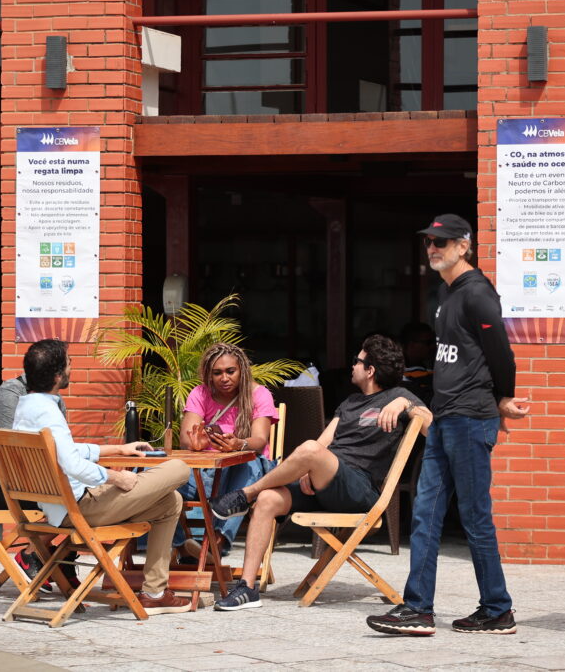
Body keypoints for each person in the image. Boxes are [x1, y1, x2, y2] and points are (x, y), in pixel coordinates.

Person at [366, 214, 530, 637]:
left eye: (441, 241)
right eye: (429, 242)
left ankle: (497, 609)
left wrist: (503, 398)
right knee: (425, 514)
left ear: (464, 246)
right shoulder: (444, 293)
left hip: (471, 420)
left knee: (475, 517)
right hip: (443, 419)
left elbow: (502, 353)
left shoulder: (478, 294)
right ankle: (418, 609)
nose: (433, 248)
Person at [208, 334, 432, 611]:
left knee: (308, 452)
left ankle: (244, 495)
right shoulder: (349, 402)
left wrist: (406, 405)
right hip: (326, 483)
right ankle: (248, 588)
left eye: (357, 361)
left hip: (359, 490)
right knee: (268, 499)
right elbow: (323, 443)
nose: (352, 366)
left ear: (370, 370)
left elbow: (432, 428)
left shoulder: (399, 396)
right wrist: (307, 469)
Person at [10, 339, 193, 615]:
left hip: (61, 508)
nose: (71, 369)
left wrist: (119, 449)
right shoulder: (48, 412)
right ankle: (154, 593)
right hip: (81, 509)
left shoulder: (27, 407)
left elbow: (67, 451)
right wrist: (117, 478)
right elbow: (72, 463)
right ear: (58, 375)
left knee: (171, 502)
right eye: (69, 364)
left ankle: (154, 592)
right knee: (179, 467)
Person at [173, 343, 279, 560]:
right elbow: (185, 438)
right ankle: (182, 546)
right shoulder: (200, 393)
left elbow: (259, 441)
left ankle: (216, 546)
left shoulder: (258, 394)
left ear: (242, 370)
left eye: (230, 371)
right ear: (208, 374)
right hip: (205, 473)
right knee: (154, 477)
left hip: (243, 471)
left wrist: (238, 444)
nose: (224, 378)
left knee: (247, 463)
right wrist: (195, 444)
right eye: (217, 373)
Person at [0, 356, 71, 590]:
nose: (69, 370)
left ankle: (58, 556)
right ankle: (33, 553)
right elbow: (13, 449)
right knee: (80, 497)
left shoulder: (52, 396)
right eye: (68, 364)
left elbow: (61, 444)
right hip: (6, 486)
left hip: (40, 481)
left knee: (95, 493)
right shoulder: (11, 394)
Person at [399, 321, 436, 407]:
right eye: (428, 343)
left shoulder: (430, 373)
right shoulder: (393, 375)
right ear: (411, 344)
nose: (432, 347)